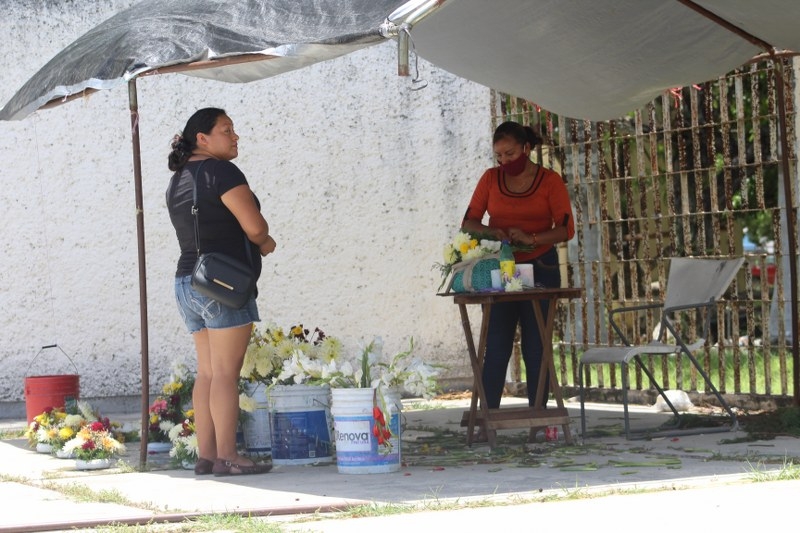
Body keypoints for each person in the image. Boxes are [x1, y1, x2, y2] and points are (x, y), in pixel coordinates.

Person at [166, 107, 276, 476]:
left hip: (186, 282)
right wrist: (265, 242)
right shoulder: (221, 171)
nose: (235, 136)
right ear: (203, 138)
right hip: (222, 284)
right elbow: (254, 227)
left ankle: (208, 455)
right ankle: (230, 457)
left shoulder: (179, 178)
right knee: (226, 374)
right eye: (226, 130)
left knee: (208, 373)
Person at [461, 120, 575, 415]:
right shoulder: (490, 179)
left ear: (526, 148)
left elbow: (565, 230)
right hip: (502, 270)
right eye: (499, 156)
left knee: (536, 347)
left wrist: (532, 238)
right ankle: (488, 416)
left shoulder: (550, 181)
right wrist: (490, 232)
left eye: (510, 154)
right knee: (496, 345)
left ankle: (539, 416)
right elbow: (469, 222)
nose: (504, 161)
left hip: (541, 266)